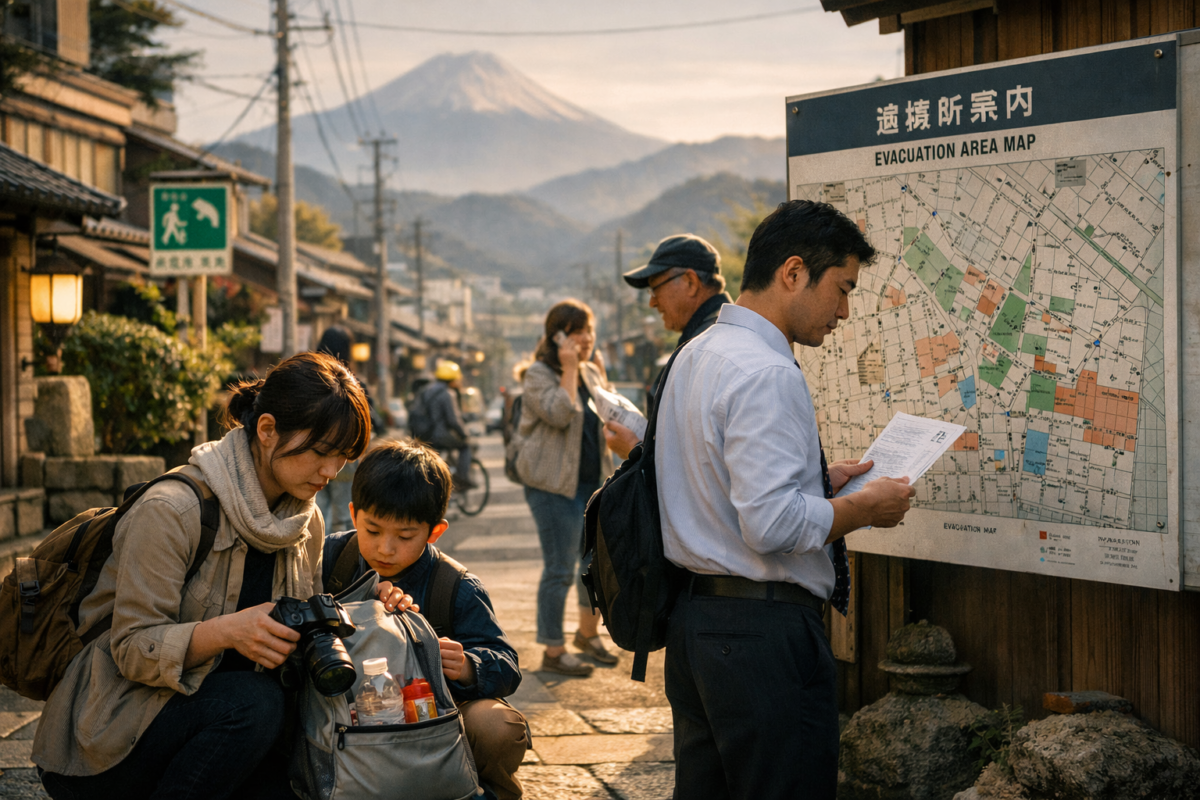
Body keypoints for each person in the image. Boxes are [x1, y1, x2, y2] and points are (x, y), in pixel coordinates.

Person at [33, 352, 415, 799]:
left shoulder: (304, 523)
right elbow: (132, 648)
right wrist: (225, 633)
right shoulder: (173, 510)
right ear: (268, 430)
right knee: (255, 702)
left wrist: (376, 607)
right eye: (320, 452)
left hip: (222, 734)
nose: (331, 472)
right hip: (111, 737)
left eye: (343, 458)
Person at [655, 200, 917, 800]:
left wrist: (819, 482)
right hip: (762, 632)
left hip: (697, 627)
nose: (845, 311)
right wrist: (865, 507)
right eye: (842, 288)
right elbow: (770, 525)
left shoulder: (696, 355)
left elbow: (716, 484)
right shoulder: (766, 371)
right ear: (794, 272)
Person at [323, 441, 527, 800]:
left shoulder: (454, 586)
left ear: (435, 531)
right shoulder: (328, 560)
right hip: (342, 717)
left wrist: (466, 666)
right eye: (372, 530)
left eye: (404, 536)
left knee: (498, 726)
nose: (386, 548)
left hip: (430, 724)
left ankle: (490, 791)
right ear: (354, 515)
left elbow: (507, 666)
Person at [513, 299, 619, 676]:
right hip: (553, 487)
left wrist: (600, 379)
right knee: (559, 568)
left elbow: (610, 419)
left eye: (589, 329)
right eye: (577, 331)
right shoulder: (538, 374)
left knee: (591, 564)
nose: (586, 338)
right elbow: (560, 412)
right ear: (557, 335)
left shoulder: (590, 370)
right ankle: (553, 650)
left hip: (590, 486)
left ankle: (587, 635)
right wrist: (571, 368)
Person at [607, 234, 732, 459]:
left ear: (690, 282)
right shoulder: (718, 329)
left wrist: (635, 450)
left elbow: (691, 455)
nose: (652, 302)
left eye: (655, 289)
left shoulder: (704, 343)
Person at [412, 360, 474, 490]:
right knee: (465, 446)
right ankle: (462, 477)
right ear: (452, 379)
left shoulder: (426, 390)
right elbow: (453, 420)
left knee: (434, 462)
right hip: (439, 435)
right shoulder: (448, 393)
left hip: (423, 434)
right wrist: (464, 434)